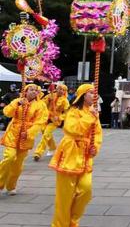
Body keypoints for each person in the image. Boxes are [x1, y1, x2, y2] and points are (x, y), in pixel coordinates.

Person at [49, 83, 102, 227]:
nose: (94, 95)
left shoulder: (93, 112)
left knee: (86, 190)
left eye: (95, 93)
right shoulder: (73, 110)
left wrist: (95, 146)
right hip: (69, 154)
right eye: (91, 92)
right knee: (64, 197)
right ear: (83, 95)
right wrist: (90, 117)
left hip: (85, 156)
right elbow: (72, 129)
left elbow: (97, 133)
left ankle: (72, 221)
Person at [0, 84, 48, 195]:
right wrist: (17, 104)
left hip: (26, 136)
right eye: (31, 89)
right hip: (13, 132)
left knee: (18, 164)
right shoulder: (18, 100)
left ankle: (11, 186)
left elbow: (40, 122)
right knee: (9, 157)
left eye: (36, 90)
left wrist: (29, 132)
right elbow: (7, 112)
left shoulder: (41, 105)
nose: (33, 91)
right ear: (25, 91)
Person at [34, 84, 70, 161]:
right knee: (46, 134)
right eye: (60, 89)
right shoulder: (50, 96)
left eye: (63, 90)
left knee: (46, 134)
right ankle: (53, 148)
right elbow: (42, 104)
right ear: (56, 89)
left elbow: (67, 113)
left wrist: (59, 117)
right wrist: (48, 100)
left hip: (55, 120)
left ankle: (38, 152)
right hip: (45, 118)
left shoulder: (65, 101)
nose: (61, 91)